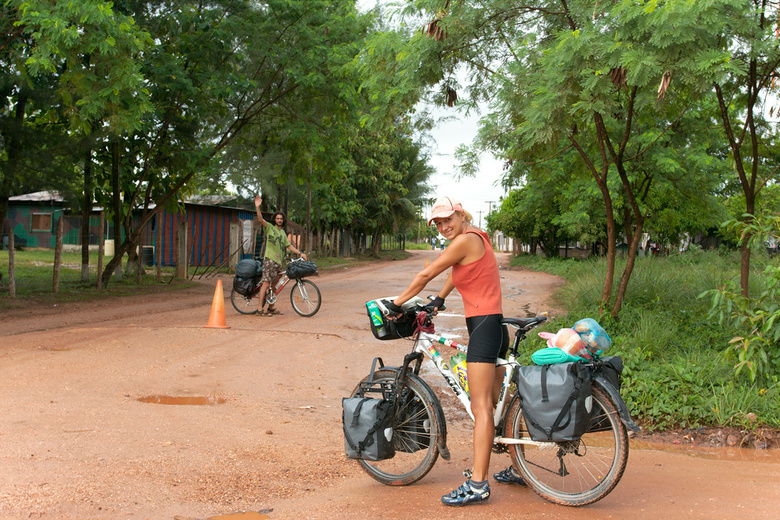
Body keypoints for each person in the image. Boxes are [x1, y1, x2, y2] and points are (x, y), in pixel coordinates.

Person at [383, 196, 523, 506]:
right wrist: (439, 300)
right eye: (438, 223)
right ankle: (520, 467)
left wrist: (394, 305)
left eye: (448, 220)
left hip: (484, 328)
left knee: (481, 406)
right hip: (492, 325)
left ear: (460, 214)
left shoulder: (464, 241)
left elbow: (425, 275)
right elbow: (455, 273)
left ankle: (477, 485)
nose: (444, 227)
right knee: (501, 404)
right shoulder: (475, 237)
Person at [254, 196, 306, 316]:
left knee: (274, 286)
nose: (279, 220)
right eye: (277, 218)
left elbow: (289, 246)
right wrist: (257, 207)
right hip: (269, 260)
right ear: (274, 220)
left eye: (281, 219)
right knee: (266, 283)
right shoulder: (269, 228)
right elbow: (261, 219)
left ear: (283, 220)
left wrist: (300, 253)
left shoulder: (283, 233)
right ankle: (259, 309)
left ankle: (271, 307)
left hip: (278, 262)